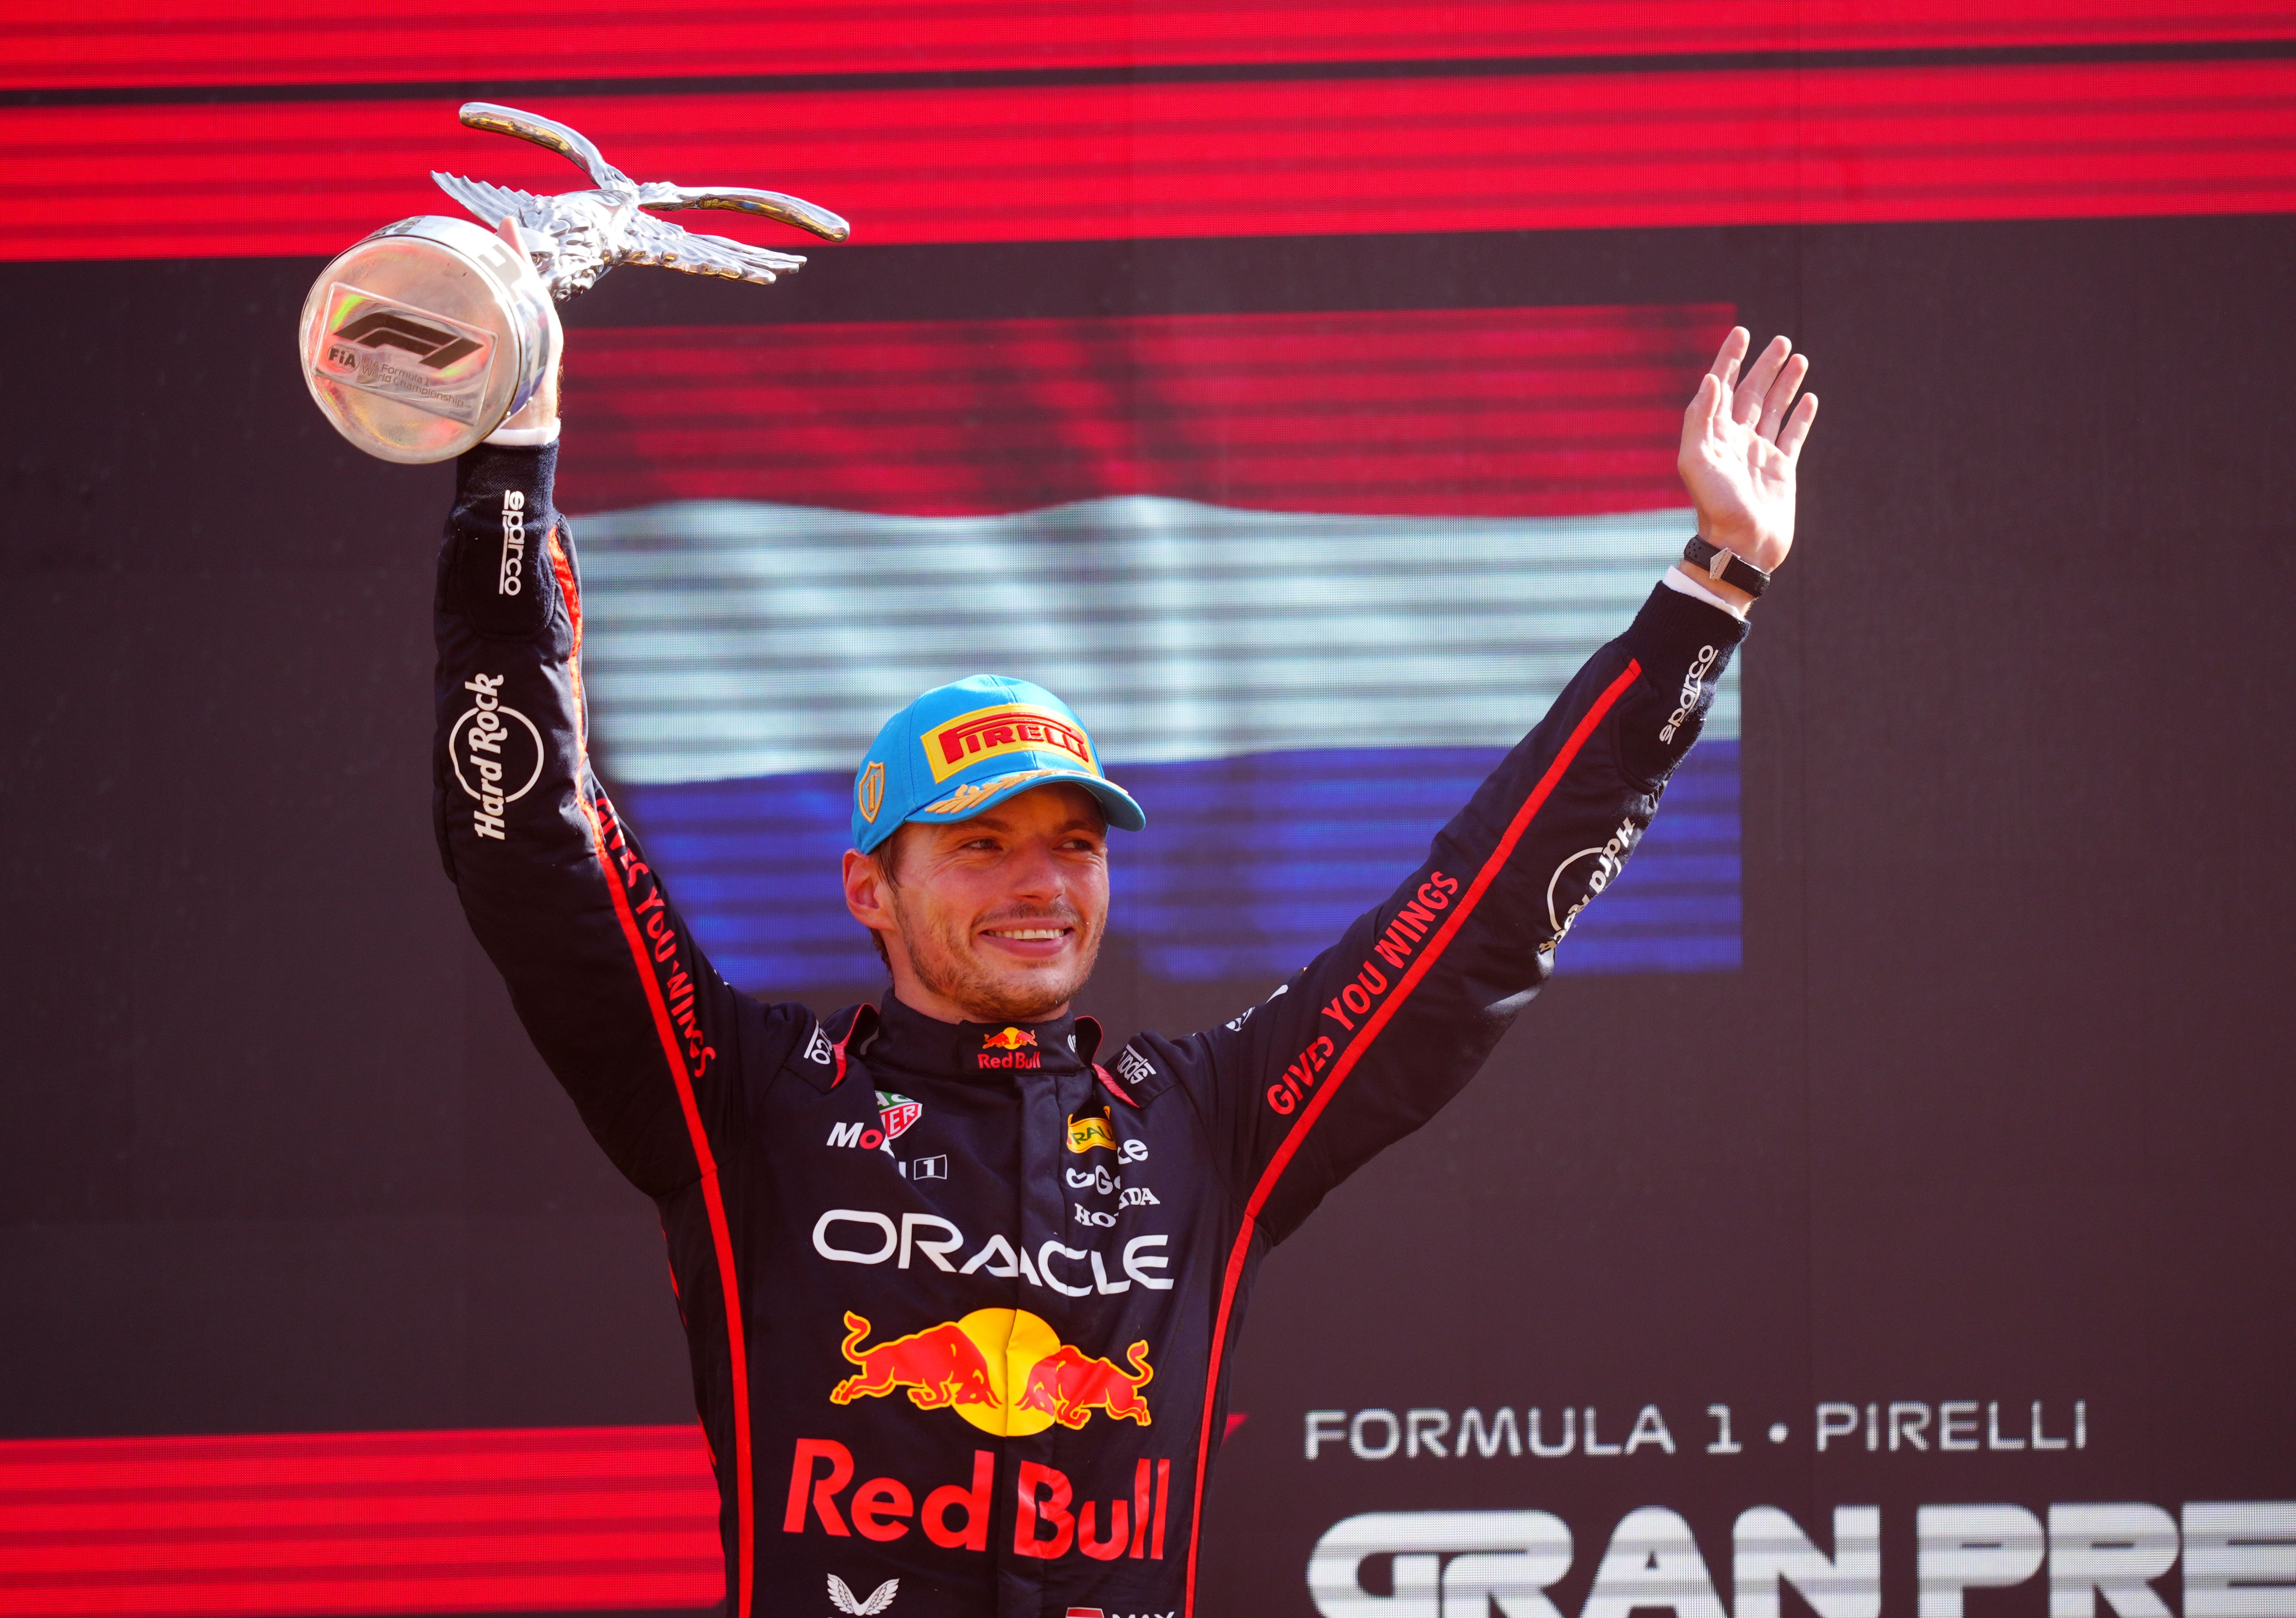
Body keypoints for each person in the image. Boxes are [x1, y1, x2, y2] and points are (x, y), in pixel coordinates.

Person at [431, 298, 1814, 1615]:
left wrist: (1713, 587)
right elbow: (536, 848)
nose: (1039, 885)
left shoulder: (1206, 1122)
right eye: (978, 846)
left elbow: (1479, 917)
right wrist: (510, 462)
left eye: (1074, 845)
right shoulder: (746, 1096)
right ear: (870, 886)